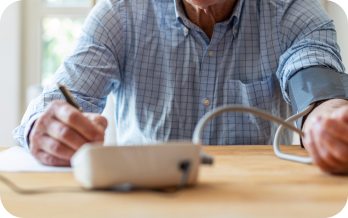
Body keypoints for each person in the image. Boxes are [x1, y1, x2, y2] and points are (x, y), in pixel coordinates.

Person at [13, 0, 348, 174]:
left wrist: (329, 123)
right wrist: (43, 128)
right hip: (141, 205)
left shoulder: (293, 12)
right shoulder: (120, 14)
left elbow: (319, 91)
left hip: (255, 205)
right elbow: (57, 101)